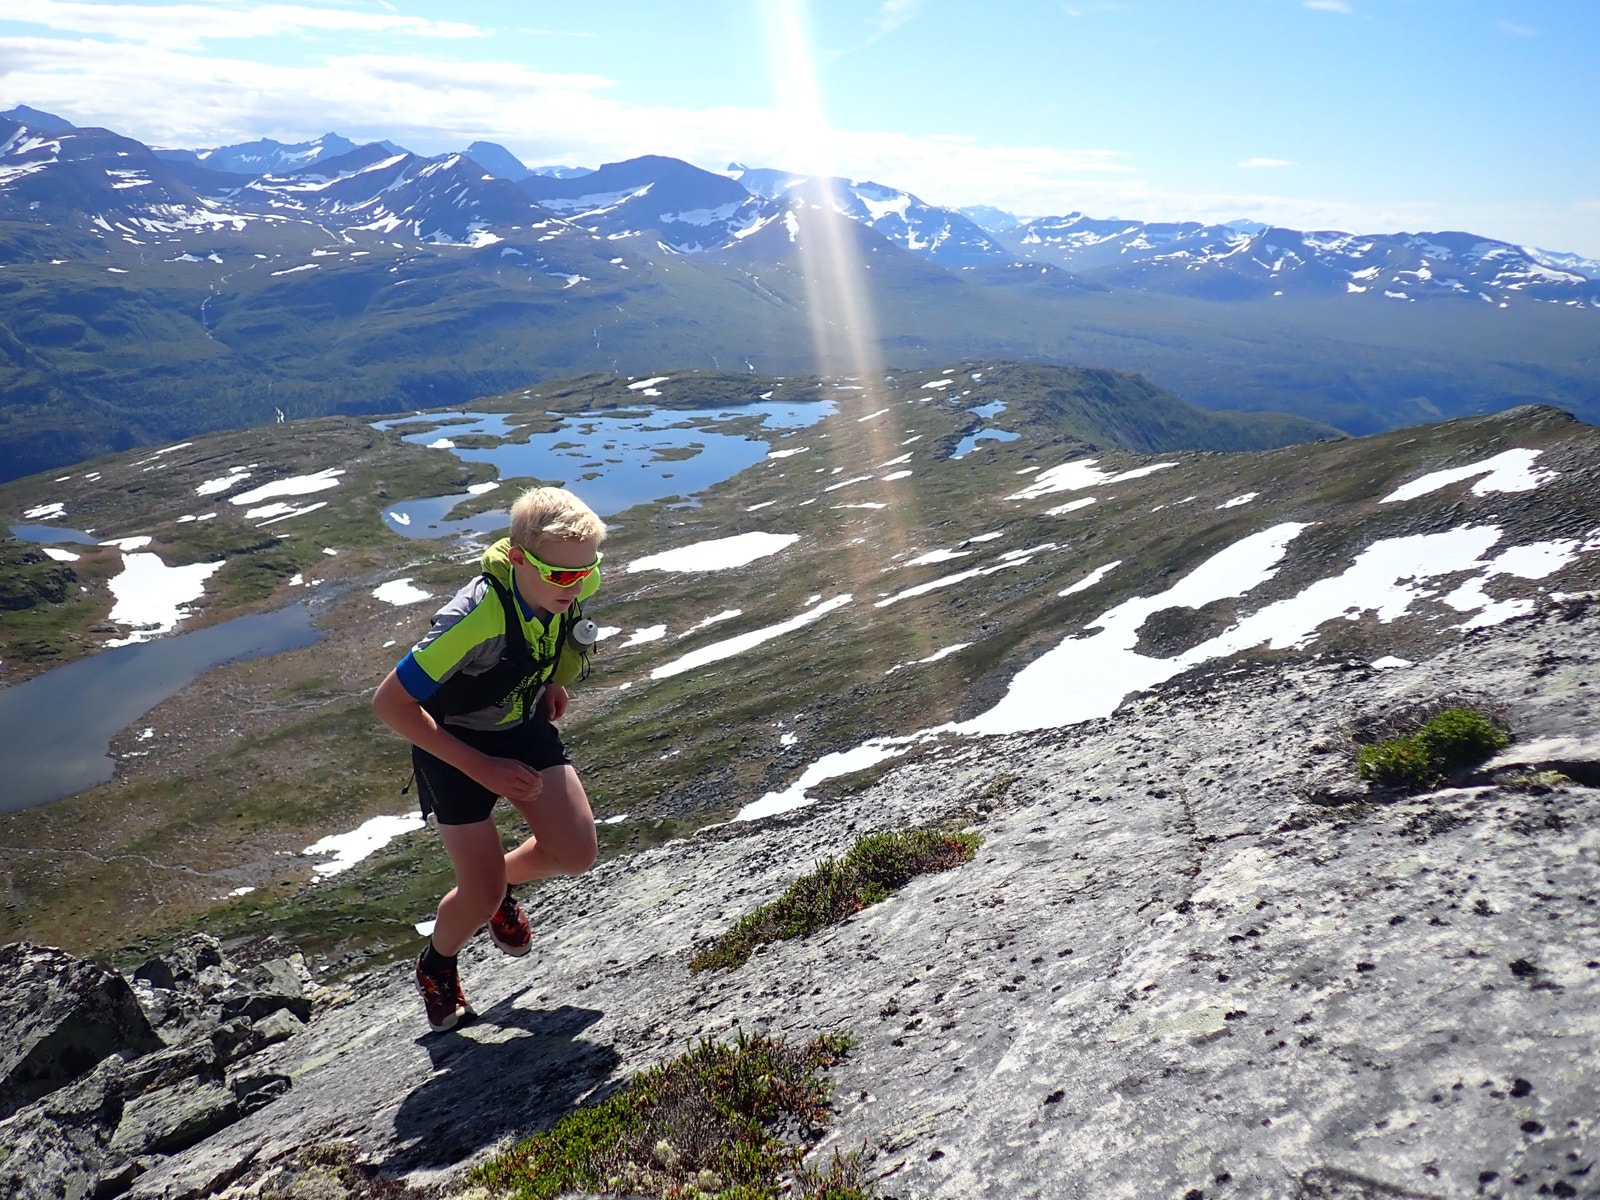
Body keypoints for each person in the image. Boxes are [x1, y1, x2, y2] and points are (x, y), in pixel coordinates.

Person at [372, 486, 605, 1032]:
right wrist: (480, 766)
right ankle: (437, 965)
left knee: (576, 853)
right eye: (561, 574)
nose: (575, 585)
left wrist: (548, 680)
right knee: (477, 891)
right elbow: (389, 703)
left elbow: (548, 632)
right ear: (519, 558)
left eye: (586, 570)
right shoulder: (475, 616)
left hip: (521, 726)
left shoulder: (565, 580)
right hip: (452, 746)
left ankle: (499, 893)